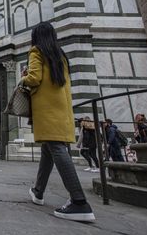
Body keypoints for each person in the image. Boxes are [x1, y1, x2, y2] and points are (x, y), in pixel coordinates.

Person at [21, 22, 95, 222]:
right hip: (62, 109)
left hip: (47, 110)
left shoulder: (36, 51)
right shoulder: (60, 55)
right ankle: (38, 191)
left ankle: (79, 202)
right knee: (50, 148)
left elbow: (34, 78)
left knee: (56, 148)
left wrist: (23, 78)